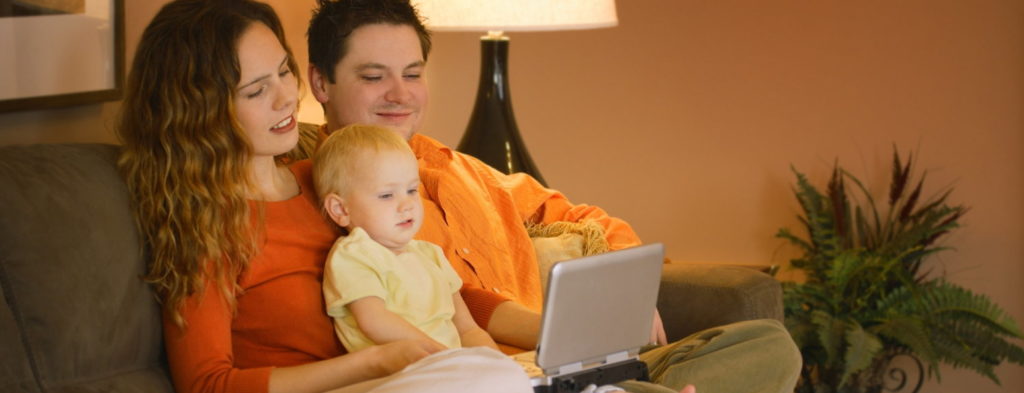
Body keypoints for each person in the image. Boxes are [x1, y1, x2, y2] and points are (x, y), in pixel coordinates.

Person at [305, 1, 801, 393]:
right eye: (374, 77)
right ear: (320, 83)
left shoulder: (464, 169)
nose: (401, 93)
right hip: (492, 376)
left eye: (412, 74)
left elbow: (581, 218)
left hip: (566, 361)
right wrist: (545, 337)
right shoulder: (329, 197)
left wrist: (622, 299)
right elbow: (455, 308)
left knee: (767, 343)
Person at [116, 1, 531, 393]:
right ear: (200, 111)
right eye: (257, 91)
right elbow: (207, 384)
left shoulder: (329, 182)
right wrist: (374, 363)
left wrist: (553, 330)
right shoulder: (207, 226)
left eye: (283, 71)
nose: (286, 98)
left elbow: (434, 287)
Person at [312, 124, 498, 352]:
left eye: (411, 190)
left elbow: (467, 329)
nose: (407, 204)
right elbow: (374, 322)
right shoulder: (354, 254)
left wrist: (493, 359)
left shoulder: (431, 255)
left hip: (449, 368)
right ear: (341, 210)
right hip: (400, 373)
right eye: (387, 195)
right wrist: (442, 356)